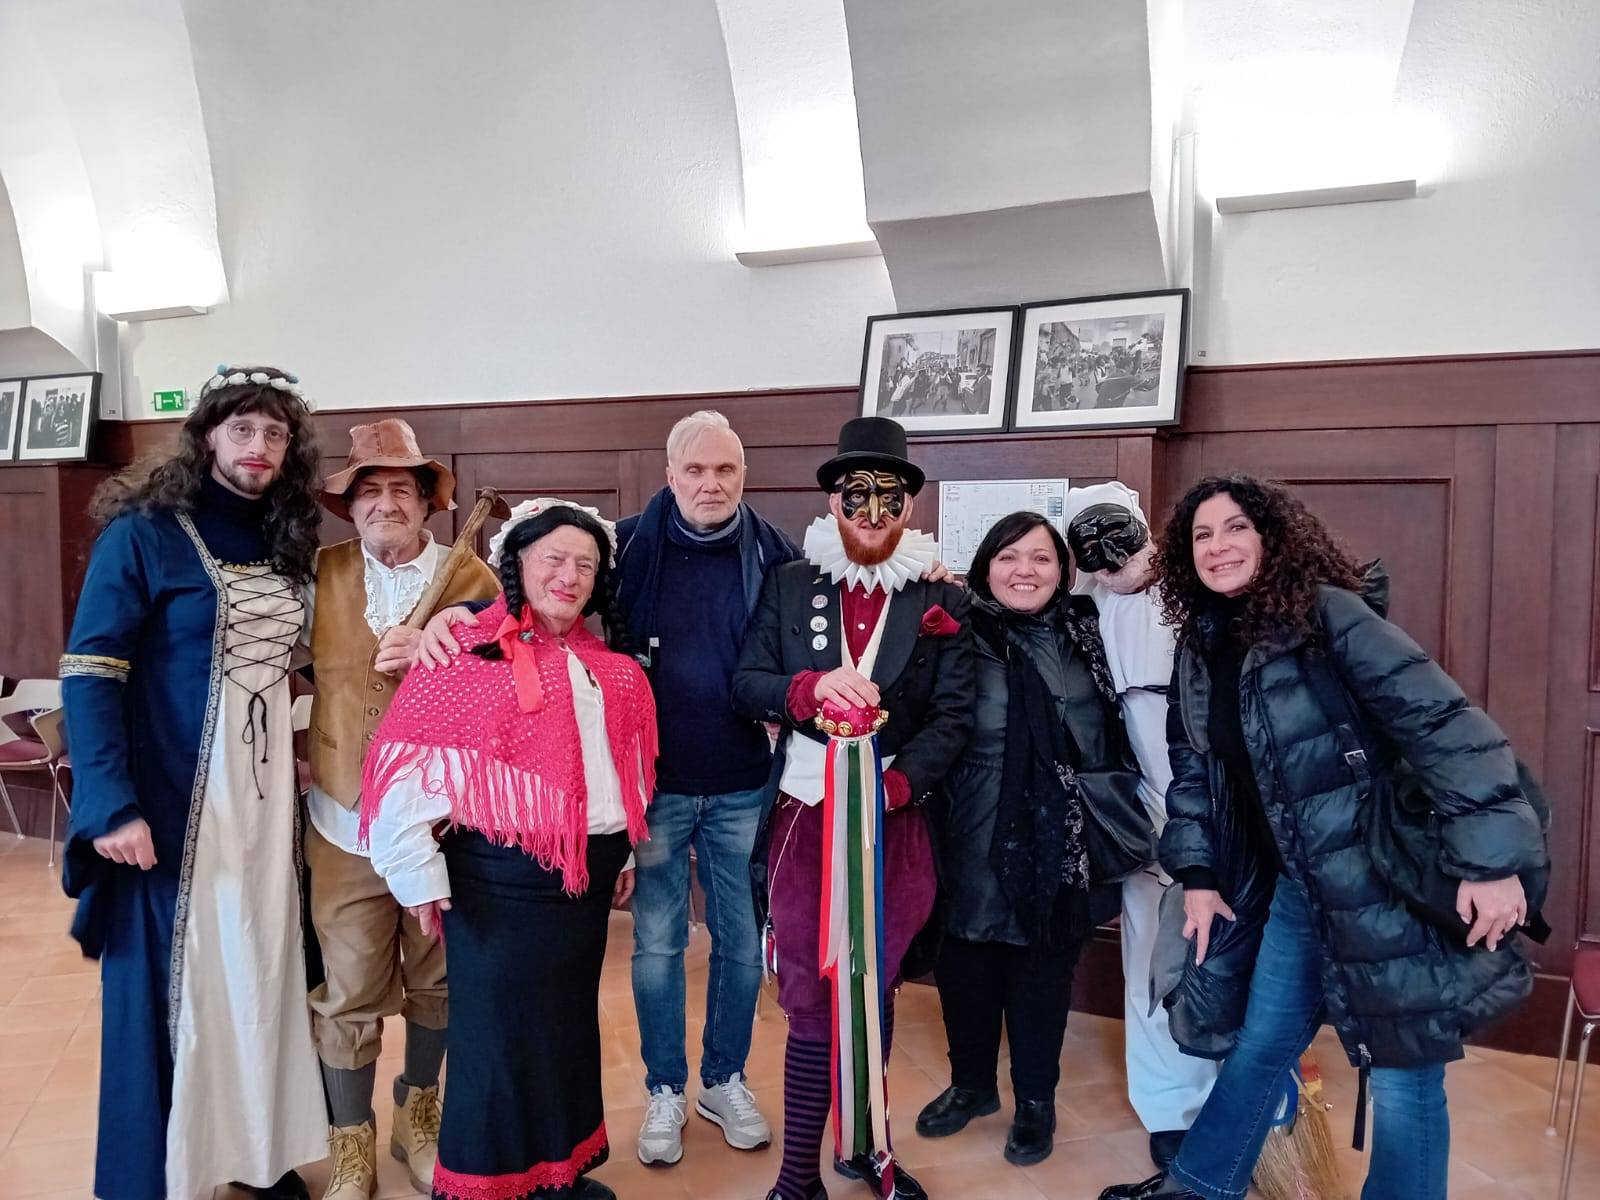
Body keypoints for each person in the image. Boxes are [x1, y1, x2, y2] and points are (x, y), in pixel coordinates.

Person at [1099, 475, 1547, 1200]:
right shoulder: (1203, 641)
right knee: (1262, 1043)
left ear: (1273, 537)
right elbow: (1195, 768)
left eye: (1236, 528)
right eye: (1202, 535)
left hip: (1383, 885)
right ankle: (1199, 1186)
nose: (1218, 546)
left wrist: (1493, 864)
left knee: (1402, 1078)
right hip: (1299, 889)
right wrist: (1200, 877)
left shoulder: (1328, 614)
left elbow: (1449, 728)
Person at [414, 410, 797, 1167]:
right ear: (670, 474)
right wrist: (453, 617)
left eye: (725, 470)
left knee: (739, 943)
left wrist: (931, 576)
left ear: (743, 476)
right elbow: (537, 596)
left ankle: (724, 1079)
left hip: (743, 784)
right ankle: (664, 1089)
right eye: (695, 470)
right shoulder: (622, 548)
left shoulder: (775, 553)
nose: (711, 483)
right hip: (650, 792)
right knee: (656, 943)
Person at [59, 365, 326, 1200]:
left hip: (266, 804)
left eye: (276, 434)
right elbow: (91, 671)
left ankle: (256, 1155)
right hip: (175, 800)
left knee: (263, 968)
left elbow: (289, 669)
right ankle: (166, 1175)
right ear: (207, 435)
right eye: (242, 429)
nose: (259, 446)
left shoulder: (285, 537)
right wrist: (110, 804)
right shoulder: (144, 533)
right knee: (185, 980)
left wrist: (299, 751)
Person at [361, 498, 656, 1200]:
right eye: (554, 558)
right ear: (516, 564)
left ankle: (554, 1177)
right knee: (496, 1045)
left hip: (584, 885)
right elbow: (404, 782)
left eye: (585, 565)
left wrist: (624, 855)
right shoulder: (465, 653)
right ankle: (481, 1187)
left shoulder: (611, 668)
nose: (569, 576)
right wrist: (419, 879)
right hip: (498, 885)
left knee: (563, 1033)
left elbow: (618, 773)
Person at [733, 415, 975, 1200]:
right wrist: (806, 689)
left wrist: (896, 789)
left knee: (875, 981)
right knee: (811, 993)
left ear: (910, 505)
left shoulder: (940, 597)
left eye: (889, 497)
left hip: (895, 824)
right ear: (832, 502)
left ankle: (865, 1148)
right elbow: (747, 683)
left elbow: (954, 718)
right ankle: (796, 1177)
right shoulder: (788, 585)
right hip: (806, 818)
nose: (872, 513)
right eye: (855, 495)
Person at [303, 419, 500, 1198]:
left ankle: (419, 1114)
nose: (386, 503)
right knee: (348, 989)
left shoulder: (473, 579)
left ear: (426, 504)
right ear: (350, 506)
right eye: (370, 490)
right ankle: (349, 1141)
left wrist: (444, 656)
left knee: (437, 981)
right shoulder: (318, 574)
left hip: (444, 827)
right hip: (343, 824)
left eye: (402, 490)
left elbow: (508, 693)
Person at [914, 510, 1138, 1167]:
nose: (1025, 571)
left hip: (1059, 830)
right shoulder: (955, 629)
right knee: (966, 960)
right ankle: (972, 1085)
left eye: (1041, 558)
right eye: (1009, 557)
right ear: (985, 567)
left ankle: (1036, 1101)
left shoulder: (1091, 629)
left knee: (1043, 970)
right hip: (969, 820)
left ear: (1063, 571)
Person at [1062, 484, 1219, 1171]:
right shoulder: (1086, 605)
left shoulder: (1201, 587)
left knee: (1235, 953)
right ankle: (1170, 1107)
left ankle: (1240, 1096)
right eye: (1092, 552)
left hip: (1222, 798)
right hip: (1141, 808)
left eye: (1119, 539)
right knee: (1154, 958)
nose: (1112, 560)